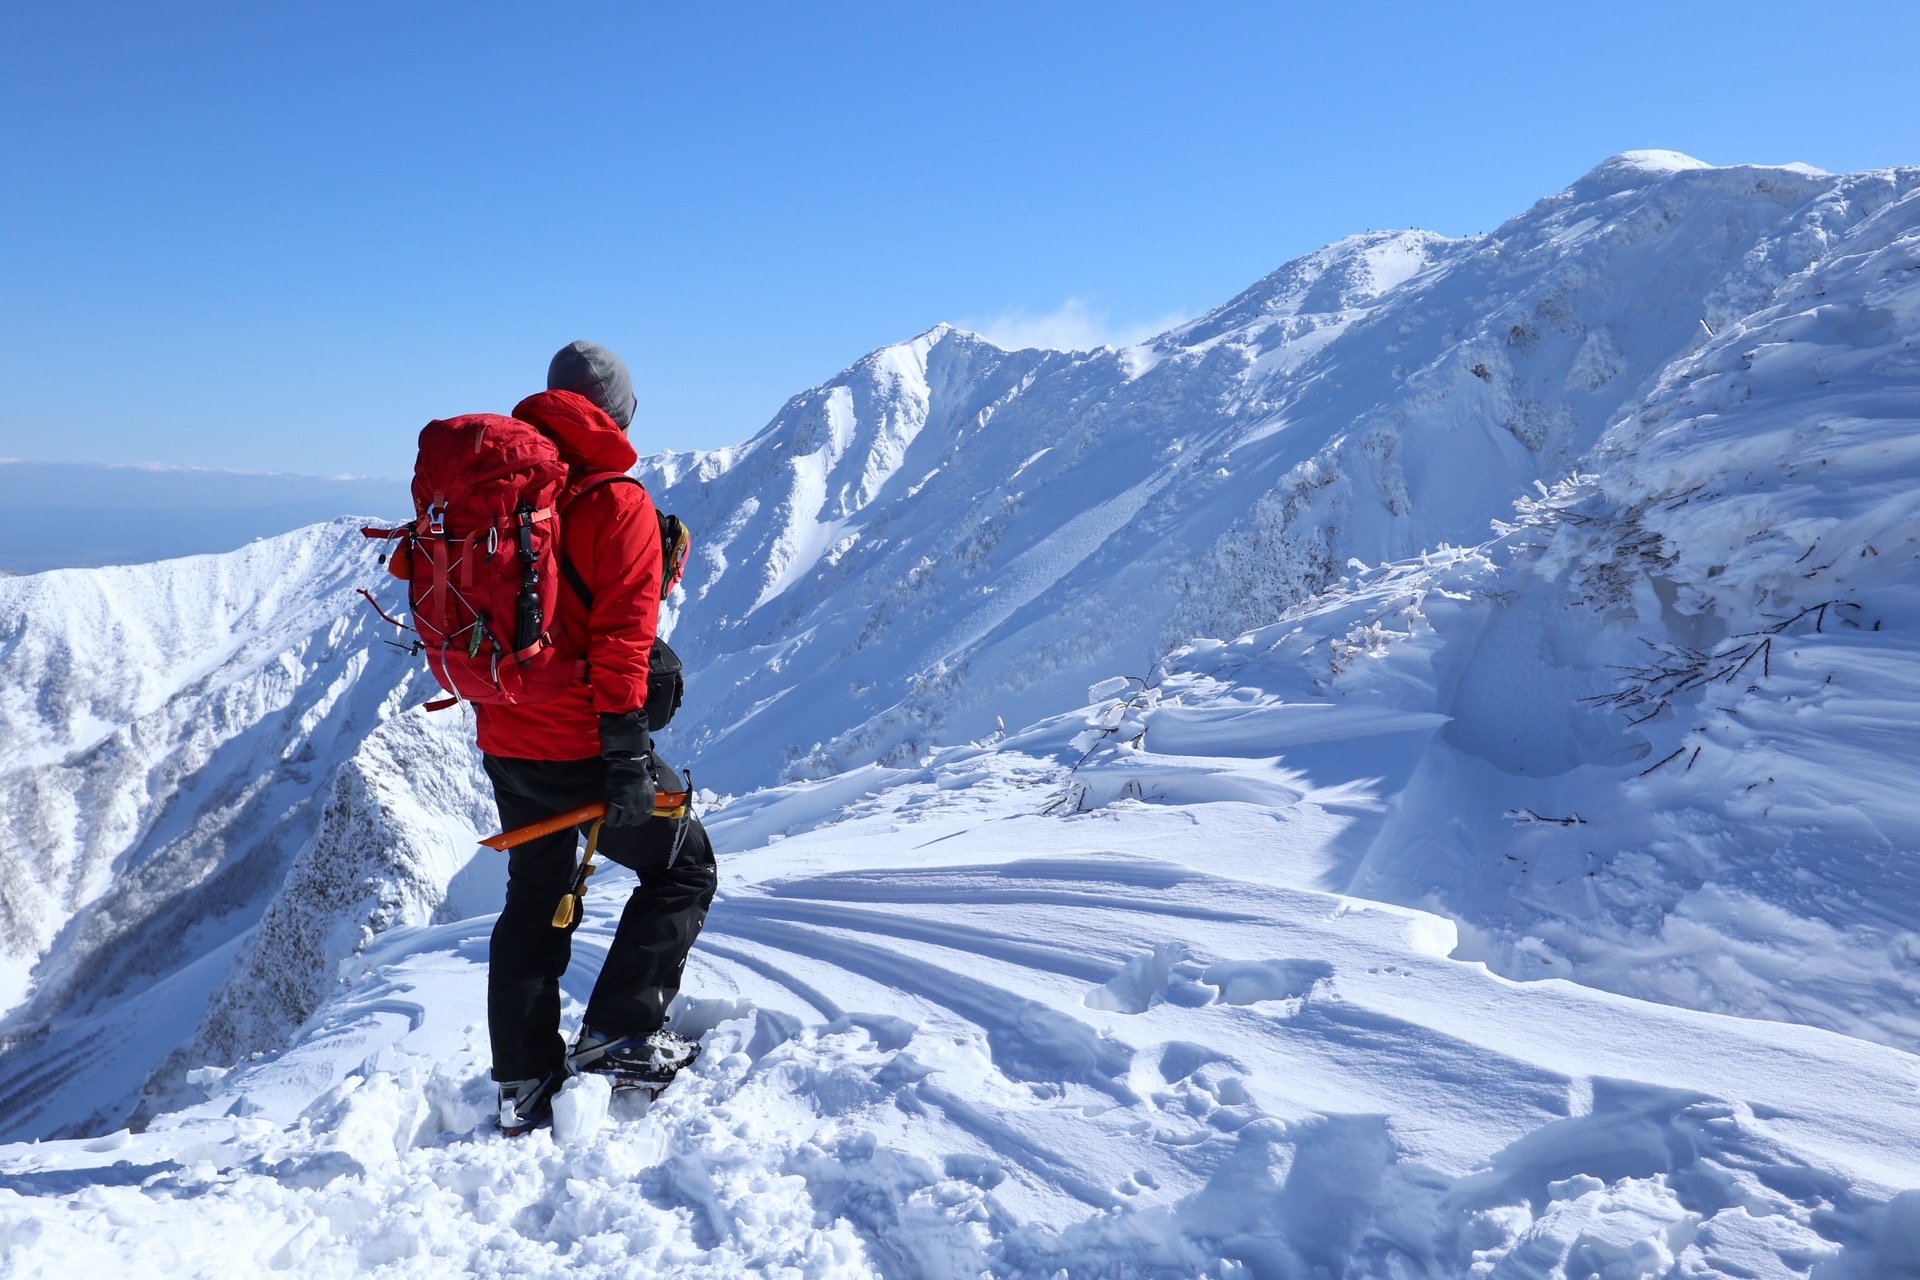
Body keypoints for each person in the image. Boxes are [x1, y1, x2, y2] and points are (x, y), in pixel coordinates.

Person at [479, 341, 717, 1136]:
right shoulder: (616, 502)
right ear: (616, 414)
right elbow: (619, 643)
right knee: (684, 866)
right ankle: (620, 1036)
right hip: (585, 740)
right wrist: (624, 763)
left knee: (534, 900)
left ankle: (522, 1083)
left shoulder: (513, 493)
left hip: (508, 734)